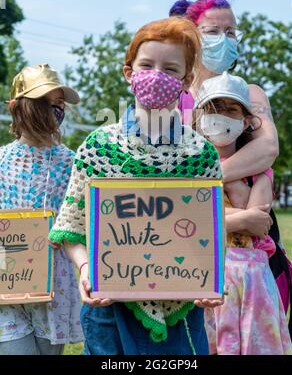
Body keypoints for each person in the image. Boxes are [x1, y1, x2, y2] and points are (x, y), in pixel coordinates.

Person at [49, 17, 223, 355]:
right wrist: (86, 268)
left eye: (170, 69)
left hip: (182, 315)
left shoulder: (202, 155)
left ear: (186, 81)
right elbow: (71, 228)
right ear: (129, 72)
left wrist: (211, 278)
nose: (157, 75)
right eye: (147, 65)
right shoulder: (99, 147)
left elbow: (209, 236)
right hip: (109, 310)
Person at [194, 72, 292, 355]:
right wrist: (240, 218)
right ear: (198, 118)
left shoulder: (261, 172)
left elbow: (258, 224)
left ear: (247, 120)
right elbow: (183, 221)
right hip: (204, 277)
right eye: (212, 108)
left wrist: (219, 211)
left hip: (252, 281)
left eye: (230, 109)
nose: (220, 115)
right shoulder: (187, 166)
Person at [0, 64, 83, 355]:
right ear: (18, 107)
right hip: (6, 279)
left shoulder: (72, 162)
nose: (53, 110)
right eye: (44, 102)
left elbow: (78, 220)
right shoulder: (2, 160)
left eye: (59, 103)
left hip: (54, 283)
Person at [169, 0, 279, 212]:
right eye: (212, 31)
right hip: (192, 216)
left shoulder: (251, 94)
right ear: (190, 37)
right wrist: (229, 180)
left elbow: (267, 147)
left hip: (251, 215)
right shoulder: (174, 97)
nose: (224, 39)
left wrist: (208, 177)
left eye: (230, 32)